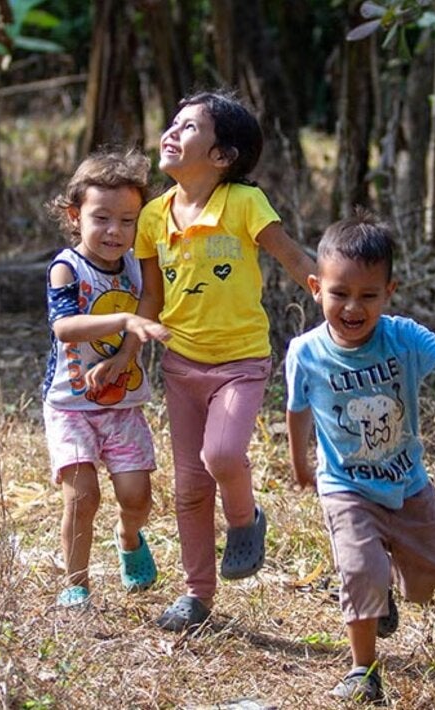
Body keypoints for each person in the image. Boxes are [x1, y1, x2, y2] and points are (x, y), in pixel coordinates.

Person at [285, 213, 435, 702]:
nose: (352, 306)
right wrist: (300, 463)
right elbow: (298, 410)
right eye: (340, 293)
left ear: (389, 292)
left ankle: (389, 587)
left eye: (368, 295)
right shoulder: (305, 352)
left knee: (427, 580)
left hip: (407, 484)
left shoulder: (403, 336)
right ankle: (362, 672)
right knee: (361, 570)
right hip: (345, 486)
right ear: (315, 287)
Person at [125, 90, 316, 631]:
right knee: (188, 486)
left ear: (222, 157)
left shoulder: (243, 204)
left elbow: (291, 256)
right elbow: (151, 298)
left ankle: (244, 518)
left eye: (189, 127)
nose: (172, 132)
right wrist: (128, 351)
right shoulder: (152, 217)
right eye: (173, 122)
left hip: (240, 361)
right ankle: (197, 595)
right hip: (180, 365)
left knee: (224, 456)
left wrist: (328, 291)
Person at [41, 149, 171, 608]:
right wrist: (123, 325)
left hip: (123, 403)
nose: (115, 231)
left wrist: (124, 357)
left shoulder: (137, 266)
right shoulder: (67, 268)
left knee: (136, 495)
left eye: (127, 220)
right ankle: (76, 583)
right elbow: (64, 327)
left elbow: (150, 303)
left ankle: (129, 536)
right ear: (75, 216)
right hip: (71, 404)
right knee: (83, 496)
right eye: (102, 218)